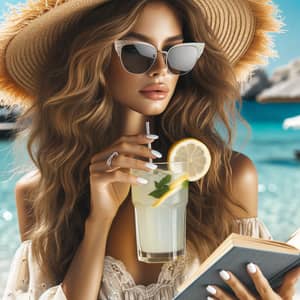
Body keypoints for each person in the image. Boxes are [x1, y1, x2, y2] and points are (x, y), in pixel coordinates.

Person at [1, 0, 299, 299]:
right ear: (92, 59)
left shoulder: (227, 178)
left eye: (177, 54)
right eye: (136, 52)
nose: (161, 70)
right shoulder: (41, 193)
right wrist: (99, 220)